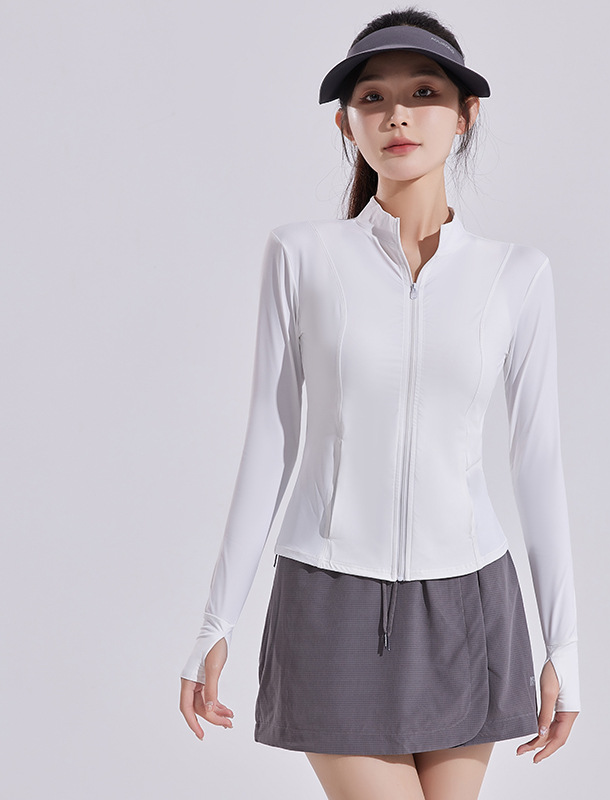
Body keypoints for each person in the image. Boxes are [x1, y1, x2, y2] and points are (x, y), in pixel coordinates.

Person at [179, 7, 581, 799]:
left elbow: (537, 462)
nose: (398, 114)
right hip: (330, 596)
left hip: (470, 600)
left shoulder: (516, 274)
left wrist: (564, 647)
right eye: (373, 97)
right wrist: (215, 620)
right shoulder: (302, 256)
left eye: (424, 92)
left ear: (466, 115)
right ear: (346, 123)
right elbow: (270, 439)